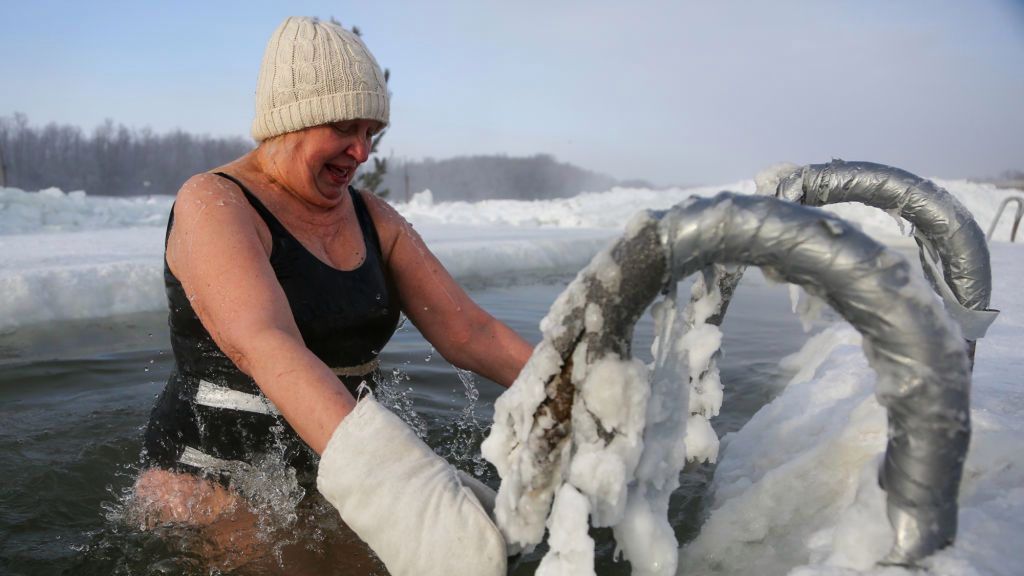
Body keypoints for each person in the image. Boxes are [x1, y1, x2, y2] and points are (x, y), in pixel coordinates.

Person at [133, 16, 532, 575]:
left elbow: (472, 332)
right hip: (207, 483)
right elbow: (264, 341)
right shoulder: (214, 204)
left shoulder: (375, 219)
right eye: (346, 128)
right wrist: (404, 491)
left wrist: (573, 388)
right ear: (292, 117)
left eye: (372, 133)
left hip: (322, 477)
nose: (362, 152)